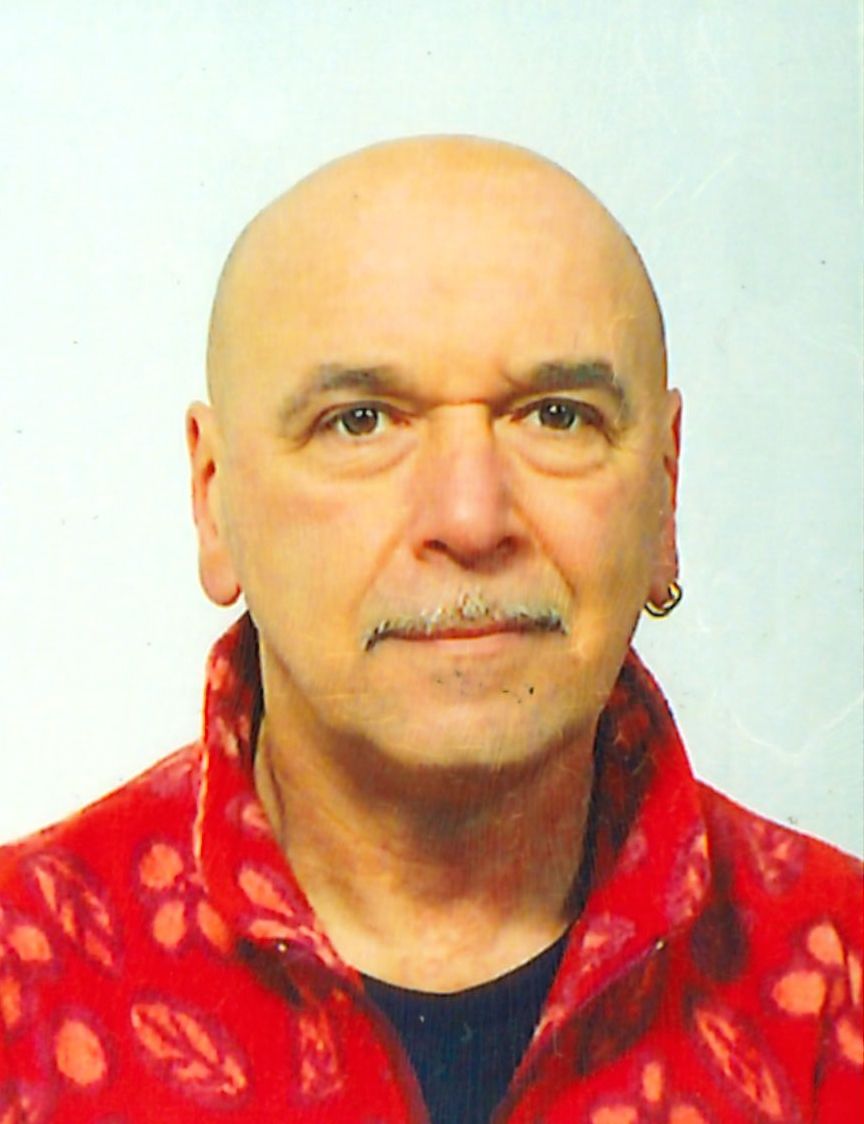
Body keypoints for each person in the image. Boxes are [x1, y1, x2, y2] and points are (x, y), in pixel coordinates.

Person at [0, 136, 860, 1124]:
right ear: (213, 500)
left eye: (557, 416)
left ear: (664, 494)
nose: (469, 517)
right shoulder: (23, 977)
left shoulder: (841, 974)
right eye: (360, 421)